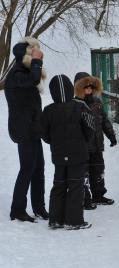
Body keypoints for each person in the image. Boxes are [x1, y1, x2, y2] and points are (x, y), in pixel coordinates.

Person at [41, 74, 95, 230]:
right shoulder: (81, 107)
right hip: (78, 154)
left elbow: (44, 133)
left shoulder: (48, 110)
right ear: (71, 89)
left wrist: (54, 142)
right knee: (75, 186)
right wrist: (84, 142)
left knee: (58, 184)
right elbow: (90, 128)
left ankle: (55, 219)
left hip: (58, 154)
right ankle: (74, 220)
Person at [4, 38, 48, 222]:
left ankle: (39, 208)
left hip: (33, 129)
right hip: (24, 130)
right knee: (27, 168)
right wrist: (37, 61)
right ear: (25, 56)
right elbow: (33, 79)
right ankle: (17, 210)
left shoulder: (24, 71)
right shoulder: (16, 74)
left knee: (38, 168)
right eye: (32, 54)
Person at [74, 72, 117, 209]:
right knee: (84, 173)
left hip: (97, 144)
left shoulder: (97, 102)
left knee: (98, 170)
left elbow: (104, 120)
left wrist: (111, 135)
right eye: (85, 87)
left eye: (91, 87)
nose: (89, 90)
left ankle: (98, 195)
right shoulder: (75, 105)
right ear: (79, 88)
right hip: (83, 147)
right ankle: (86, 198)